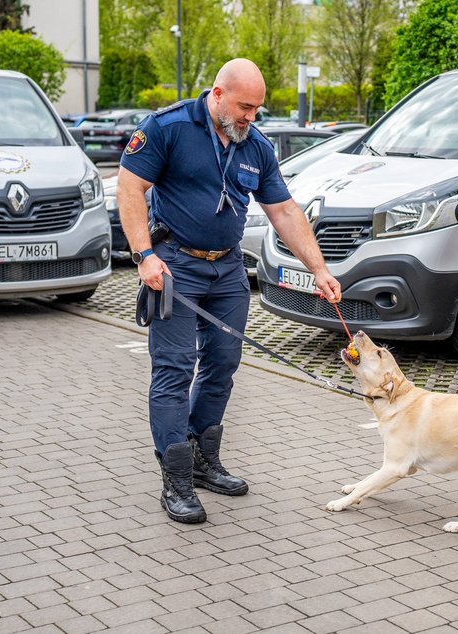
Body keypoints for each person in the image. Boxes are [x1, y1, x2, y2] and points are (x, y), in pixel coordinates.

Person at [116, 58, 342, 524]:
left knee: (221, 366)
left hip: (228, 272)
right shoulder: (167, 128)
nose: (251, 118)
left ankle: (202, 460)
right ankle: (175, 479)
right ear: (217, 93)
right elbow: (129, 188)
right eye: (244, 107)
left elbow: (283, 211)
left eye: (257, 109)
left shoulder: (255, 145)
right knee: (175, 371)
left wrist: (318, 269)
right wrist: (143, 256)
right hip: (173, 265)